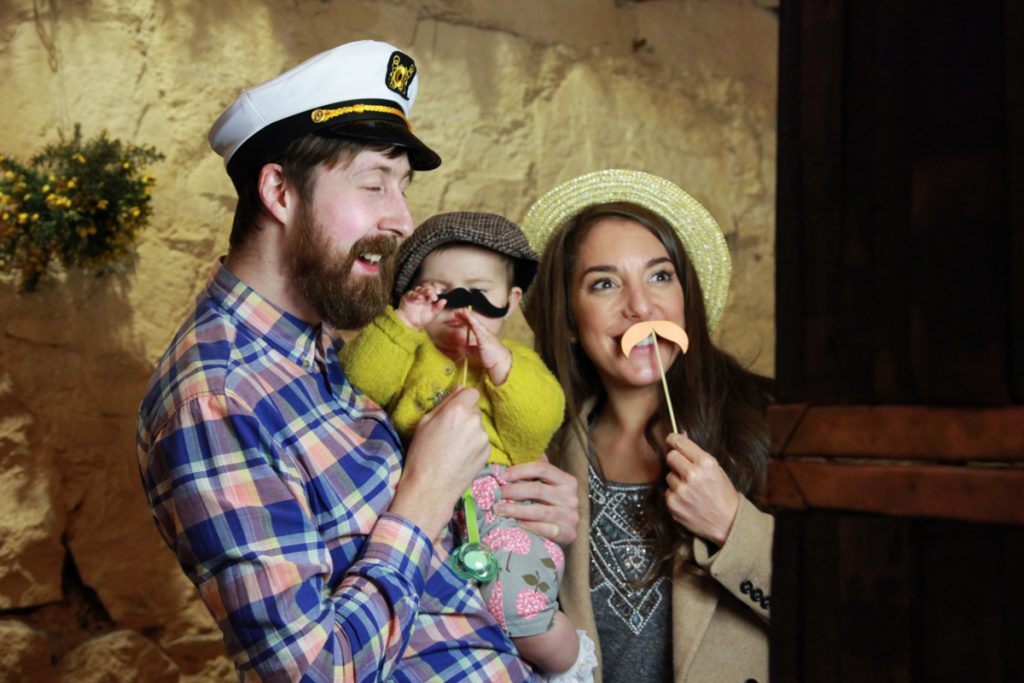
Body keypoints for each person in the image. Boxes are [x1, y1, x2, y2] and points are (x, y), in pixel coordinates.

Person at [136, 40, 578, 682]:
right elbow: (315, 672)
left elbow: (436, 581)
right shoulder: (217, 397)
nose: (401, 219)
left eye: (403, 188)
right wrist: (427, 492)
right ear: (280, 193)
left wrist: (521, 506)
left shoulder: (320, 347)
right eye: (374, 184)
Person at [522, 170, 773, 683]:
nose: (641, 306)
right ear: (569, 320)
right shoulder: (538, 448)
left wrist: (731, 526)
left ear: (685, 298)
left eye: (660, 276)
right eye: (604, 284)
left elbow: (848, 610)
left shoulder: (771, 419)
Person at [339, 211, 596, 680]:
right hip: (422, 504)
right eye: (440, 293)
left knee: (517, 607)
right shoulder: (410, 350)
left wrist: (500, 369)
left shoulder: (519, 360)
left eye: (480, 294)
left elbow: (536, 428)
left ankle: (567, 659)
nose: (463, 309)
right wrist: (402, 326)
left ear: (511, 301)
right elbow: (357, 387)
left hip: (499, 506)